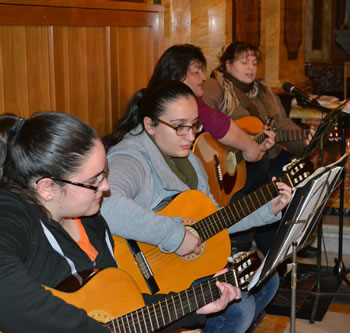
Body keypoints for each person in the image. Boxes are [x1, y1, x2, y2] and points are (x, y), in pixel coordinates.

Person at [0, 112, 240, 332]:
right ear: (48, 188)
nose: (105, 187)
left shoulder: (93, 222)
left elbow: (118, 306)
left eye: (105, 173)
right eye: (94, 180)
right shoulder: (12, 213)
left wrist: (192, 306)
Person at [100, 79, 292, 332]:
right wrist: (176, 235)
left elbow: (213, 219)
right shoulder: (130, 157)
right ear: (150, 125)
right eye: (179, 127)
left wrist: (268, 209)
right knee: (238, 308)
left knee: (265, 279)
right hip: (144, 279)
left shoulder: (189, 158)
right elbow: (107, 205)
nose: (191, 135)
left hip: (181, 267)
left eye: (194, 125)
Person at [202, 41, 314, 254]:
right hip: (235, 164)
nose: (251, 67)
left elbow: (283, 125)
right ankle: (267, 245)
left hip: (268, 156)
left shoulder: (264, 91)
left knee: (302, 175)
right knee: (272, 186)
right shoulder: (214, 87)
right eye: (244, 62)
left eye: (254, 62)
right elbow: (203, 121)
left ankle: (287, 245)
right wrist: (242, 141)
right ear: (227, 64)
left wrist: (305, 138)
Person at [142, 43, 275, 162]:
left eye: (254, 63)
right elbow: (216, 123)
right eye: (196, 72)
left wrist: (254, 143)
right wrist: (250, 147)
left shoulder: (265, 91)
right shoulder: (173, 101)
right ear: (177, 77)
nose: (203, 77)